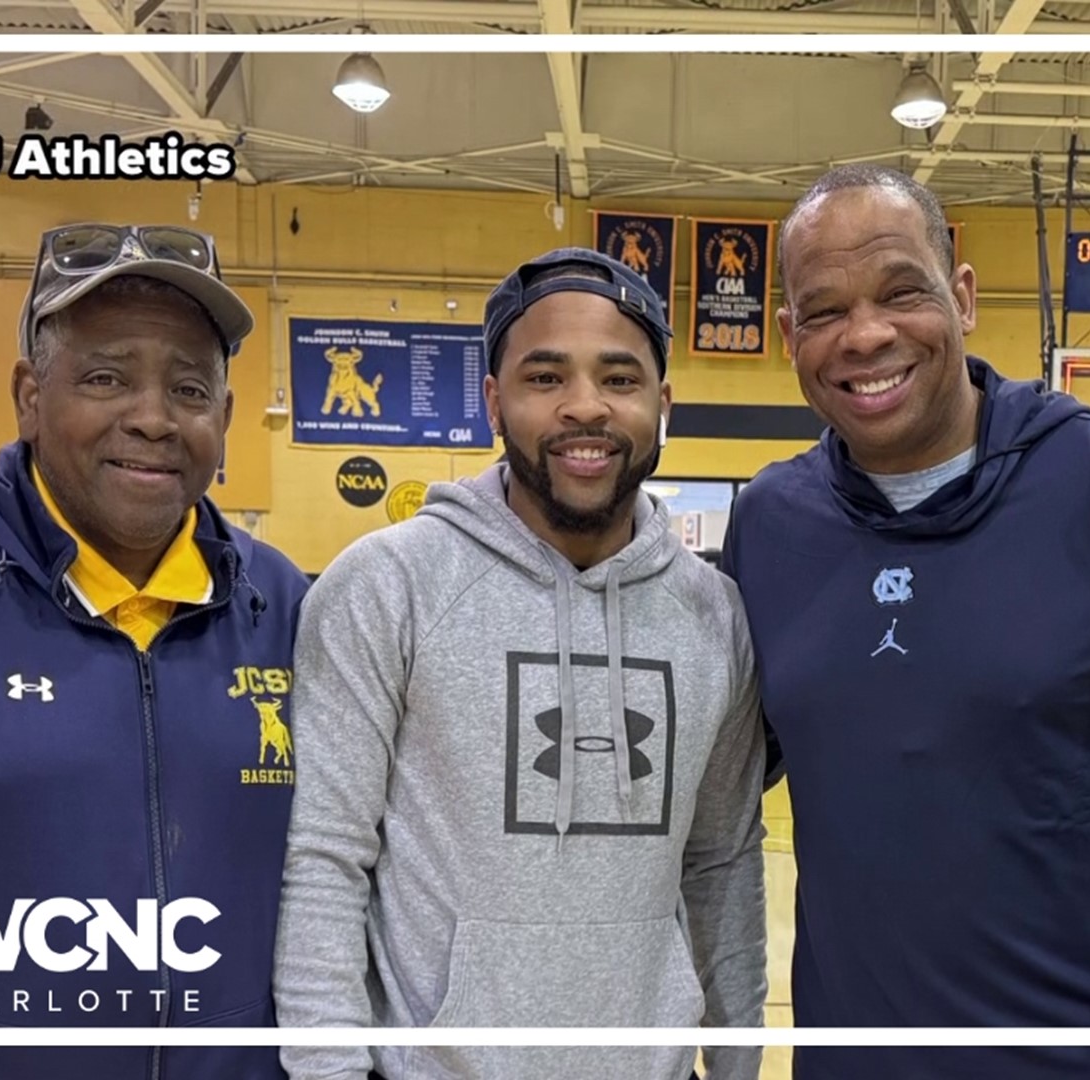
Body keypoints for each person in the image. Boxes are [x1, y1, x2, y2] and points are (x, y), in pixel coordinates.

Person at [719, 163, 1090, 1080]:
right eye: (824, 312)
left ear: (963, 296)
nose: (867, 335)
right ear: (788, 335)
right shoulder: (771, 524)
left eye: (902, 291)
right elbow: (733, 777)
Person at [0, 223, 309, 1078]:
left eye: (189, 389)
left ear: (223, 419)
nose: (151, 419)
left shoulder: (286, 607)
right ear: (30, 396)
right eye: (105, 377)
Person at [271, 248, 767, 1080]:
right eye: (545, 379)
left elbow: (721, 862)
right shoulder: (388, 585)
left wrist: (741, 1060)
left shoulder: (715, 617)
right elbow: (324, 861)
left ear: (662, 404)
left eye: (620, 378)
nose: (585, 409)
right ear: (495, 401)